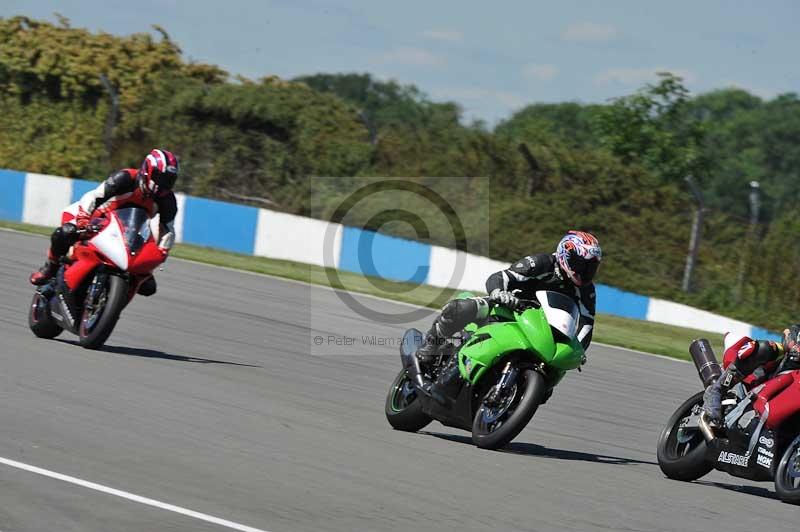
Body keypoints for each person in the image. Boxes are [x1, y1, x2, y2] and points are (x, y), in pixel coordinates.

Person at [414, 231, 602, 365]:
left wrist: (578, 351)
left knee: (554, 369)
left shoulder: (587, 291)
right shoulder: (542, 263)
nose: (584, 271)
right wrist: (499, 293)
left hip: (542, 328)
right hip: (509, 308)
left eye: (590, 267)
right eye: (580, 264)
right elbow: (501, 277)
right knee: (461, 308)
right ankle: (431, 344)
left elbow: (586, 325)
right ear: (565, 255)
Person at [29, 148, 180, 297]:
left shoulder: (168, 200)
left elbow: (167, 230)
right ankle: (51, 267)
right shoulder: (126, 178)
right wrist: (83, 219)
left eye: (168, 181)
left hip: (129, 237)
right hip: (96, 219)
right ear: (147, 170)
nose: (163, 184)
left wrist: (162, 251)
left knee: (148, 287)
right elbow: (94, 197)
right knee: (65, 233)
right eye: (160, 178)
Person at [703, 325, 800, 422]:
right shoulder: (786, 348)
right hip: (762, 383)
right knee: (765, 348)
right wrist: (795, 347)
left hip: (786, 402)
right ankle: (717, 390)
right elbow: (790, 332)